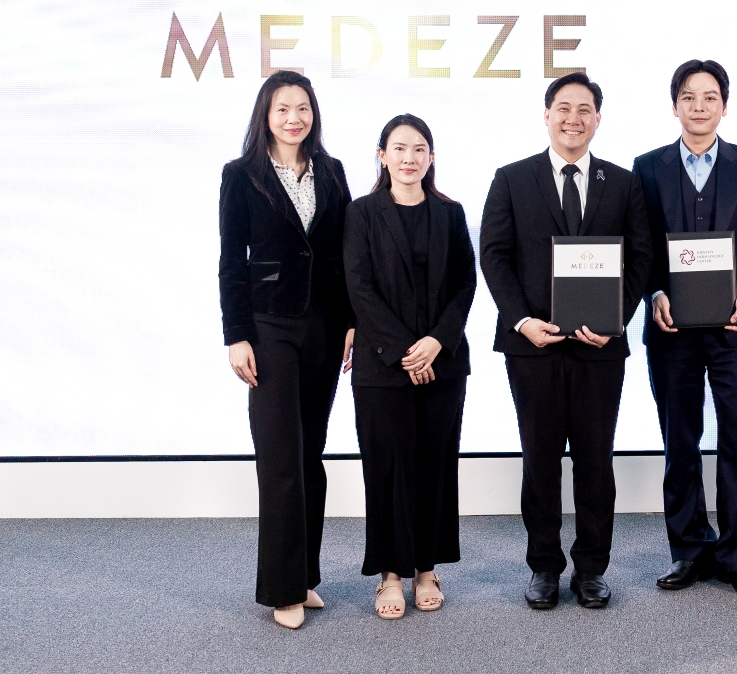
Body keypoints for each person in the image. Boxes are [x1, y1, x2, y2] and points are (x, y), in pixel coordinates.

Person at [479, 72, 652, 610]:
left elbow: (641, 258)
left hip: (600, 348)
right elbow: (494, 256)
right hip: (533, 346)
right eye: (563, 108)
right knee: (541, 460)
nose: (573, 118)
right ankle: (544, 566)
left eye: (584, 109)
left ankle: (592, 569)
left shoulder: (622, 183)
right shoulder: (512, 179)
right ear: (547, 115)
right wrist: (520, 321)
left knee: (596, 461)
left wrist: (616, 319)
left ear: (597, 118)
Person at [632, 61, 737, 597]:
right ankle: (688, 550)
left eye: (709, 97)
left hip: (733, 330)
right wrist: (654, 293)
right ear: (675, 106)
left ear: (724, 106)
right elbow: (641, 247)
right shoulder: (647, 168)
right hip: (671, 329)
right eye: (689, 97)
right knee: (680, 442)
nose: (699, 105)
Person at [218, 70, 353, 630]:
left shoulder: (332, 170)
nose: (294, 118)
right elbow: (231, 261)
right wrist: (235, 335)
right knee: (279, 459)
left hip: (324, 327)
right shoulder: (241, 175)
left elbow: (346, 253)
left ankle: (304, 576)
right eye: (283, 109)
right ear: (266, 116)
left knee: (310, 456)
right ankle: (281, 590)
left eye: (303, 108)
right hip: (269, 327)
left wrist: (351, 321)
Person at [343, 115, 476, 620]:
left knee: (435, 466)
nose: (409, 158)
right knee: (388, 468)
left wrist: (436, 342)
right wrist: (406, 351)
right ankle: (391, 575)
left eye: (419, 149)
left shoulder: (450, 213)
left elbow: (465, 283)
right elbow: (359, 287)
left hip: (443, 363)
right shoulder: (361, 213)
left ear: (431, 157)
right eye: (399, 148)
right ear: (382, 155)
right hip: (382, 366)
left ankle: (426, 569)